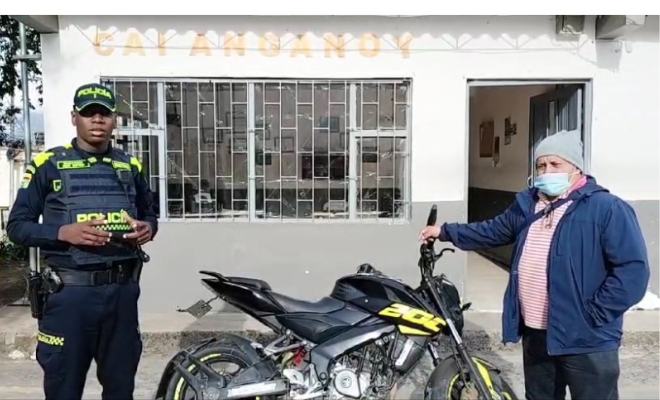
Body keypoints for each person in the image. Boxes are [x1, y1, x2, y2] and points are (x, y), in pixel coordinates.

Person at [419, 129, 649, 400]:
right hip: (537, 333)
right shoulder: (528, 204)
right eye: (541, 165)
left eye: (555, 164)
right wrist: (445, 232)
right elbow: (492, 231)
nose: (547, 171)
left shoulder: (607, 208)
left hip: (587, 338)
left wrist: (594, 314)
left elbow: (633, 272)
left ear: (576, 168)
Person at [6, 83, 159, 400]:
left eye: (105, 114)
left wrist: (147, 228)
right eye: (89, 113)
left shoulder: (130, 166)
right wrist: (63, 233)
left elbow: (149, 215)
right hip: (70, 296)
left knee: (121, 390)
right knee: (64, 390)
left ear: (114, 120)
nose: (97, 120)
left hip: (122, 295)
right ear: (74, 117)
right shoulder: (48, 165)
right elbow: (18, 227)